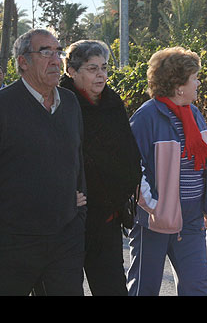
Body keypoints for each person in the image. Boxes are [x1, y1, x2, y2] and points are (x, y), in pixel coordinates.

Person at [0, 28, 88, 296]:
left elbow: (77, 163)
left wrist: (78, 216)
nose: (56, 60)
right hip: (9, 242)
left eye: (58, 52)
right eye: (46, 52)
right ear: (23, 62)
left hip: (64, 240)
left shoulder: (69, 103)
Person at [126, 47, 207, 296]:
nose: (198, 83)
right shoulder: (146, 117)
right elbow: (132, 169)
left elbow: (202, 167)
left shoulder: (195, 114)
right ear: (178, 86)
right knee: (144, 289)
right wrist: (155, 208)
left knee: (198, 288)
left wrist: (206, 206)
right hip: (154, 221)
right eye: (194, 78)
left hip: (191, 220)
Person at [52, 39, 142, 296]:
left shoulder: (112, 103)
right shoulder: (58, 104)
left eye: (104, 68)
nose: (101, 75)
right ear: (72, 71)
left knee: (112, 287)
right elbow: (50, 159)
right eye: (92, 69)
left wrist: (125, 188)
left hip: (107, 218)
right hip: (67, 219)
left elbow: (128, 152)